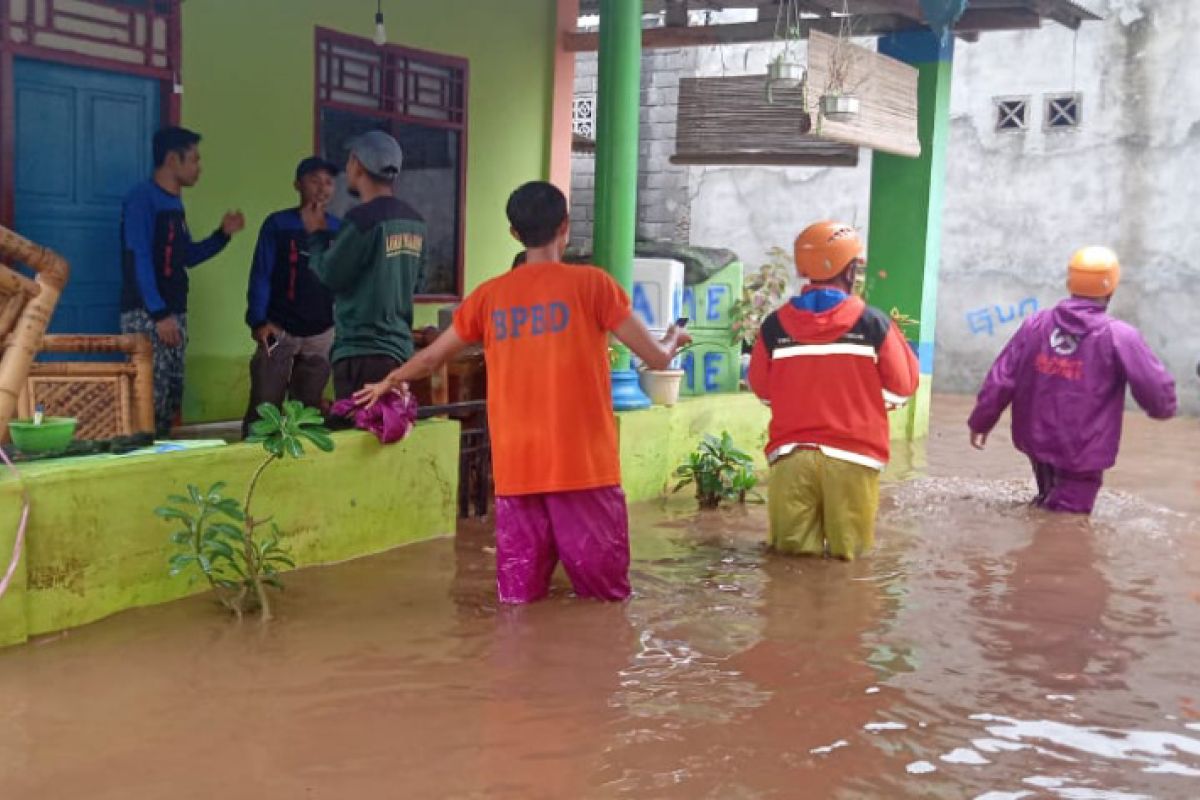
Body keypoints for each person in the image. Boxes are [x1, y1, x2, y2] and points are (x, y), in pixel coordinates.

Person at [354, 181, 690, 604]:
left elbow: (430, 359)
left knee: (518, 605)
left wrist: (387, 381)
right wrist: (675, 337)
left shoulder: (488, 298)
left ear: (515, 234)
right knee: (606, 603)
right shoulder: (595, 286)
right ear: (565, 226)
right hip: (584, 469)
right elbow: (657, 360)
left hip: (517, 472)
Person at [747, 221, 919, 560]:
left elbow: (763, 389)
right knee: (849, 566)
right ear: (851, 269)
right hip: (853, 458)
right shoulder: (873, 324)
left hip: (791, 457)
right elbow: (903, 387)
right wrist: (865, 402)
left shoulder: (774, 326)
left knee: (791, 567)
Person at [968, 246, 1177, 514]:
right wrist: (1164, 408)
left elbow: (1002, 378)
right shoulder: (1120, 336)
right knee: (1066, 526)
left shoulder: (1035, 325)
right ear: (1112, 285)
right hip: (1084, 451)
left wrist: (981, 421)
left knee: (1047, 502)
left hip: (1036, 441)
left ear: (1070, 282)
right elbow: (1155, 388)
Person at [121, 126, 245, 437]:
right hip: (148, 316)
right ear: (173, 159)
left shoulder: (175, 205)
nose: (199, 167)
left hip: (174, 314)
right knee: (148, 398)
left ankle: (159, 465)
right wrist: (160, 314)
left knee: (170, 399)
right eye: (194, 159)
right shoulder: (142, 199)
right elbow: (138, 258)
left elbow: (185, 256)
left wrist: (222, 236)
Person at [306, 131, 426, 401]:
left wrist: (315, 236)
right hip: (401, 352)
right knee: (390, 432)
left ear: (357, 164)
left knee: (360, 435)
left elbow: (329, 274)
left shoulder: (362, 220)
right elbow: (418, 281)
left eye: (349, 162)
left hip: (361, 354)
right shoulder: (416, 221)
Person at [242, 157, 342, 435]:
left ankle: (299, 468)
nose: (322, 188)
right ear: (297, 184)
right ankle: (252, 464)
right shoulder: (278, 224)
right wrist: (258, 320)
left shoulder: (339, 229)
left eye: (328, 182)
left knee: (308, 408)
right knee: (264, 404)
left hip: (321, 333)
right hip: (278, 328)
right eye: (314, 180)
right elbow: (261, 274)